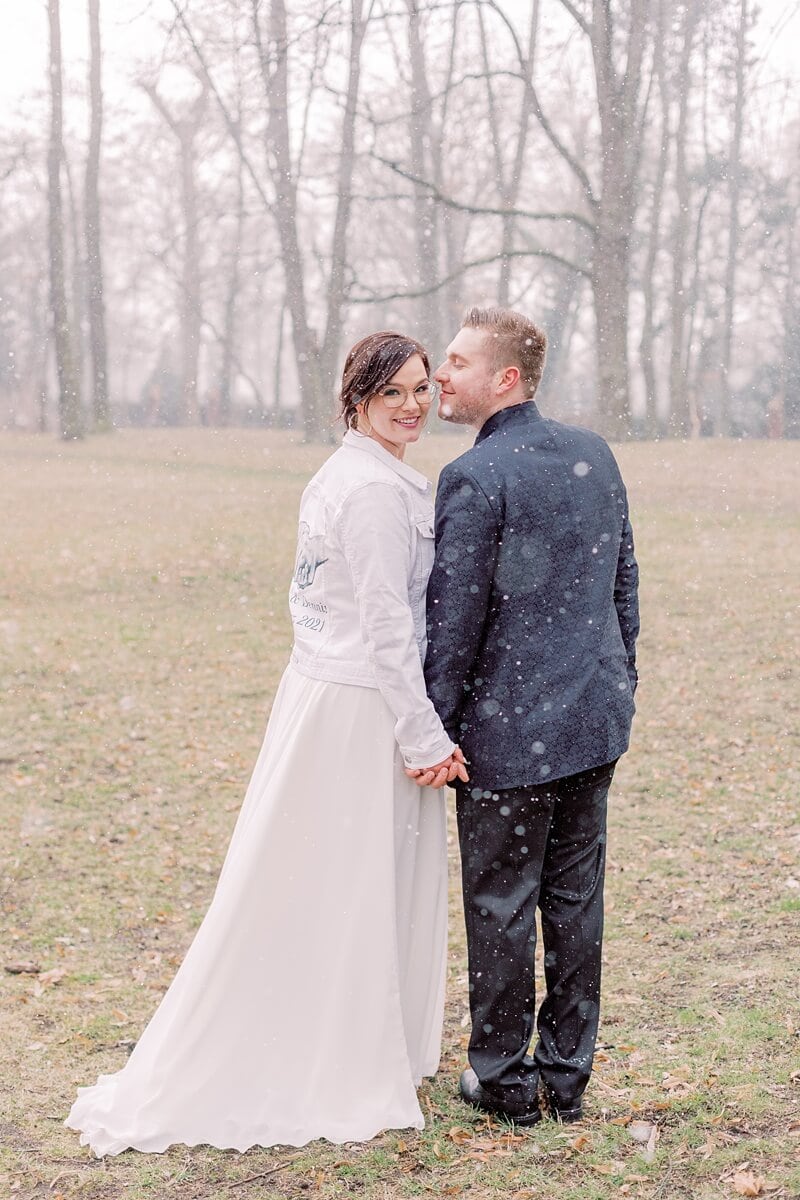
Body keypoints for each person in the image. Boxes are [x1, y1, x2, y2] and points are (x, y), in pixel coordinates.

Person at [66, 331, 468, 1156]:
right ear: (355, 399)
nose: (414, 405)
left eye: (422, 388)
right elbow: (388, 625)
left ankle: (354, 1029)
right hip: (360, 706)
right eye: (393, 392)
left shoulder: (362, 474)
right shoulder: (367, 493)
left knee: (332, 872)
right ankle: (333, 1047)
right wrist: (422, 732)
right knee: (348, 876)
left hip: (328, 690)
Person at [410, 306, 639, 1126]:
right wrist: (624, 682)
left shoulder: (474, 477)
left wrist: (430, 729)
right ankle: (567, 1077)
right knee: (575, 903)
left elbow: (453, 625)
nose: (443, 375)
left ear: (505, 379)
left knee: (501, 904)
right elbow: (625, 584)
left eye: (460, 363)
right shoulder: (593, 453)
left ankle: (506, 1082)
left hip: (510, 735)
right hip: (594, 720)